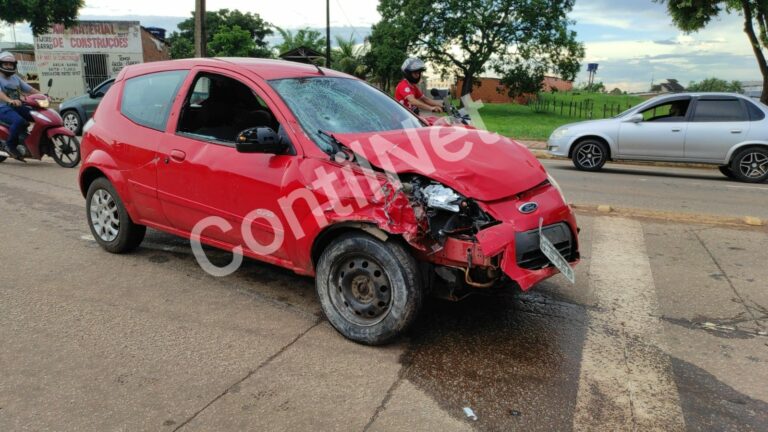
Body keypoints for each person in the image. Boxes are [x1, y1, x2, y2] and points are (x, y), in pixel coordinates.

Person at [0, 51, 40, 160]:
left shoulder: (15, 78)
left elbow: (29, 89)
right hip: (2, 107)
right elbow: (0, 94)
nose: (8, 66)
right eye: (6, 64)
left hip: (16, 106)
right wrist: (9, 100)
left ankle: (32, 140)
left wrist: (43, 95)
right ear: (1, 64)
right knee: (18, 121)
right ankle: (10, 145)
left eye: (11, 64)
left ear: (14, 65)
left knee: (38, 116)